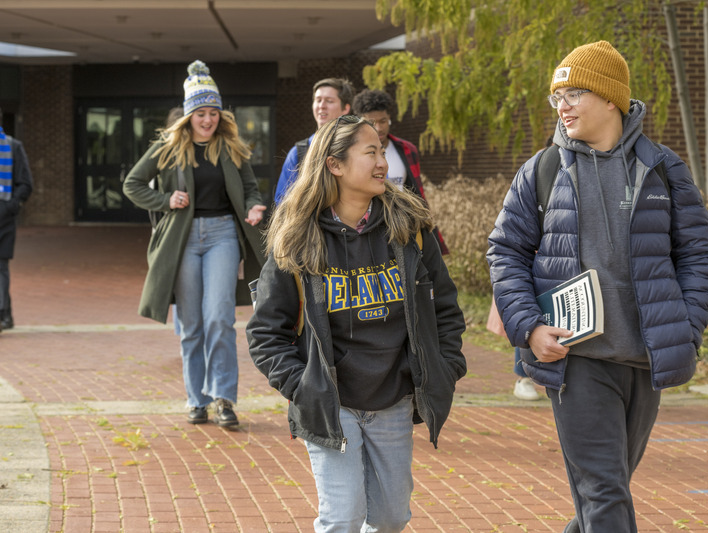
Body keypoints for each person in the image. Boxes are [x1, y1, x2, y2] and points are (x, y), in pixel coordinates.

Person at [487, 41, 708, 532]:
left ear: (610, 98)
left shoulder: (663, 167)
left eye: (573, 93)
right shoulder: (542, 170)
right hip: (575, 360)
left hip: (642, 359)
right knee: (604, 492)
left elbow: (699, 256)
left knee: (602, 497)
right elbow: (505, 253)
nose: (562, 106)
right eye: (557, 97)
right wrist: (529, 328)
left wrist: (685, 326)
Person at [247, 114, 467, 531]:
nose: (383, 161)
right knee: (343, 517)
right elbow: (264, 333)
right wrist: (303, 386)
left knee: (390, 518)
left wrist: (447, 366)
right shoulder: (297, 238)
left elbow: (446, 310)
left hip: (393, 401)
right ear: (335, 165)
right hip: (332, 403)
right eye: (371, 153)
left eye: (382, 152)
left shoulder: (410, 229)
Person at [123, 60, 267, 427]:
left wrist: (253, 206)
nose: (208, 120)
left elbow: (250, 189)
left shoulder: (232, 148)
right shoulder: (169, 148)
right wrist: (165, 200)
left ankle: (223, 399)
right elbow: (133, 184)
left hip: (222, 235)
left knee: (219, 316)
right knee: (191, 324)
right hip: (183, 240)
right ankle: (195, 399)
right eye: (200, 113)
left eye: (213, 113)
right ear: (188, 115)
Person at [352, 88, 448, 254]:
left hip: (403, 226)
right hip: (367, 227)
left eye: (383, 121)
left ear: (389, 119)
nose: (379, 128)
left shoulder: (406, 150)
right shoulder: (353, 154)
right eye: (372, 122)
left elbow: (417, 194)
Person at [273, 77, 354, 203]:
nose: (322, 106)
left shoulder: (358, 147)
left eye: (329, 101)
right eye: (318, 100)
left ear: (345, 109)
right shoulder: (299, 152)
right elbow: (282, 201)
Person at [0, 110, 34, 332]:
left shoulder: (12, 146)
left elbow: (26, 183)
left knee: (1, 266)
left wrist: (10, 205)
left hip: (4, 217)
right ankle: (6, 313)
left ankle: (2, 314)